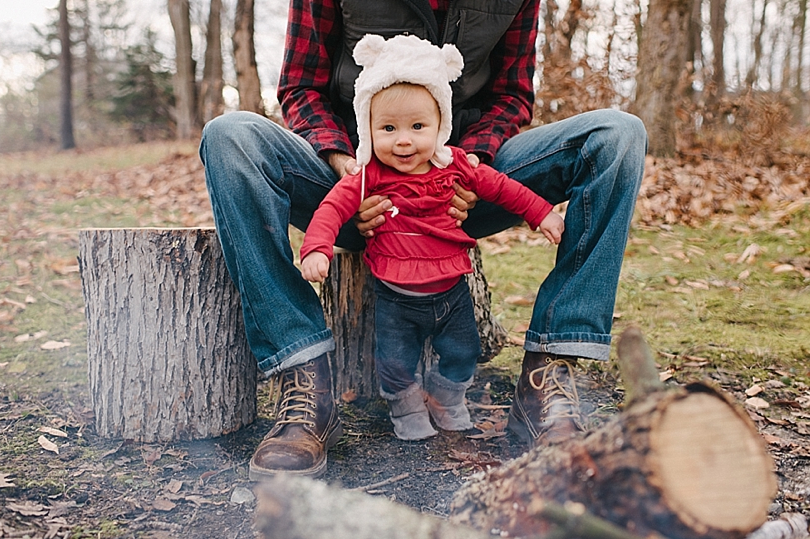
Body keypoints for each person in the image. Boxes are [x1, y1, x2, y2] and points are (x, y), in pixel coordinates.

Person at [199, 0, 647, 480]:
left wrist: (465, 165)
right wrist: (348, 165)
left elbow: (511, 97)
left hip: (463, 181)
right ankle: (307, 382)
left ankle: (547, 377)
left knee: (617, 135)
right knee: (231, 136)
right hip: (348, 177)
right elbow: (300, 88)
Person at [299, 34, 565, 442]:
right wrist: (317, 248)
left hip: (451, 292)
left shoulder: (455, 165)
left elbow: (503, 188)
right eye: (388, 128)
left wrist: (540, 212)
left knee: (464, 351)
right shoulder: (369, 176)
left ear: (441, 126)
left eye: (418, 126)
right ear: (368, 130)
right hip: (396, 297)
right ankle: (405, 407)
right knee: (395, 361)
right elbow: (332, 208)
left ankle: (446, 397)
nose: (404, 140)